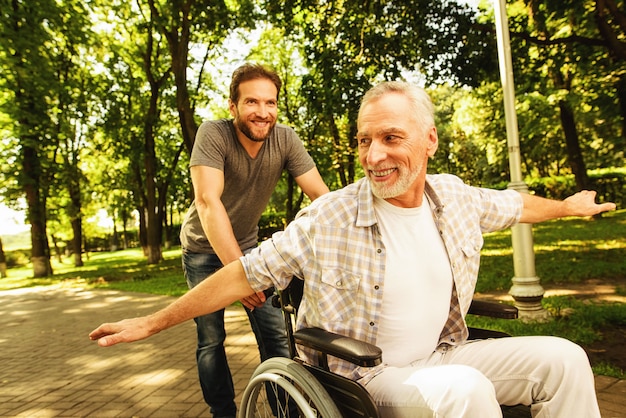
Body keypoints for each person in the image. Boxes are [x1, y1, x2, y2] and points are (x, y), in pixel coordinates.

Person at [91, 81, 615, 417]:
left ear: (429, 140)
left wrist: (569, 208)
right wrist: (152, 322)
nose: (374, 155)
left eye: (390, 137)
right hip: (369, 375)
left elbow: (516, 206)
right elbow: (245, 274)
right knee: (466, 391)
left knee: (564, 359)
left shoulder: (454, 196)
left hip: (446, 352)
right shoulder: (329, 216)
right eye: (365, 141)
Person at [178, 63, 329, 417]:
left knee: (277, 335)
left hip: (246, 246)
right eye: (252, 102)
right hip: (202, 250)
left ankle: (285, 413)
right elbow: (207, 201)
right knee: (212, 339)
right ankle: (223, 413)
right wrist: (239, 271)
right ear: (233, 107)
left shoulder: (285, 139)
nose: (263, 112)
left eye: (270, 103)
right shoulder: (213, 135)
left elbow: (321, 198)